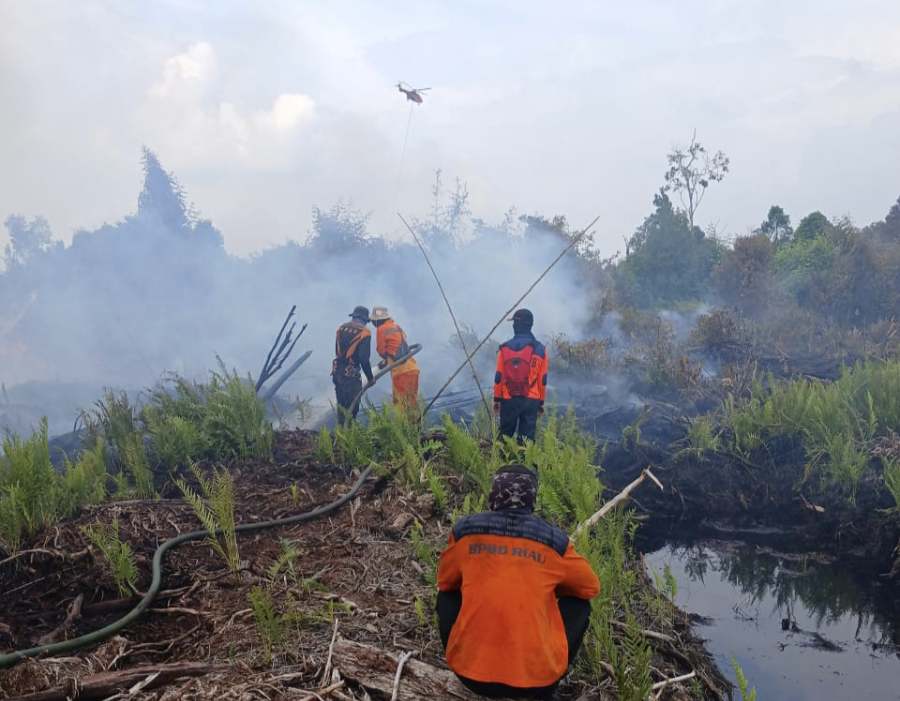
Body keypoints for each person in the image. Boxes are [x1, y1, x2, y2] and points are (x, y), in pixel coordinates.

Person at [436, 465, 600, 699]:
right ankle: (555, 668)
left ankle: (464, 654)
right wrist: (549, 585)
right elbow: (590, 587)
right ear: (532, 498)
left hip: (470, 677)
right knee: (580, 605)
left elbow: (445, 580)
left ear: (494, 493)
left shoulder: (465, 531)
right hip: (537, 684)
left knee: (448, 595)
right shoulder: (554, 541)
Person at [493, 308, 548, 442]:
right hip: (531, 400)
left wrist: (497, 399)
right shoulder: (539, 349)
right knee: (526, 440)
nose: (512, 325)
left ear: (516, 325)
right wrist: (541, 402)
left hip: (508, 398)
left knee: (504, 437)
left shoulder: (504, 348)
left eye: (513, 323)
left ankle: (502, 460)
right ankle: (523, 462)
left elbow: (499, 377)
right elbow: (542, 380)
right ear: (530, 325)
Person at [370, 306, 420, 411]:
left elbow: (381, 350)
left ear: (378, 320)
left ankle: (406, 427)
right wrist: (387, 360)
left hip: (401, 372)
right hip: (412, 368)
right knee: (412, 402)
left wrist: (386, 358)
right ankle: (417, 425)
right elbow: (400, 346)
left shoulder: (381, 329)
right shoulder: (396, 326)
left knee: (401, 406)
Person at [331, 306, 375, 424]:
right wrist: (370, 378)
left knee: (341, 407)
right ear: (365, 320)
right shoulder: (365, 333)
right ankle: (349, 436)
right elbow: (364, 359)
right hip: (351, 376)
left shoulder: (341, 328)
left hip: (337, 372)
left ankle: (341, 434)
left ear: (354, 316)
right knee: (352, 409)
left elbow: (338, 350)